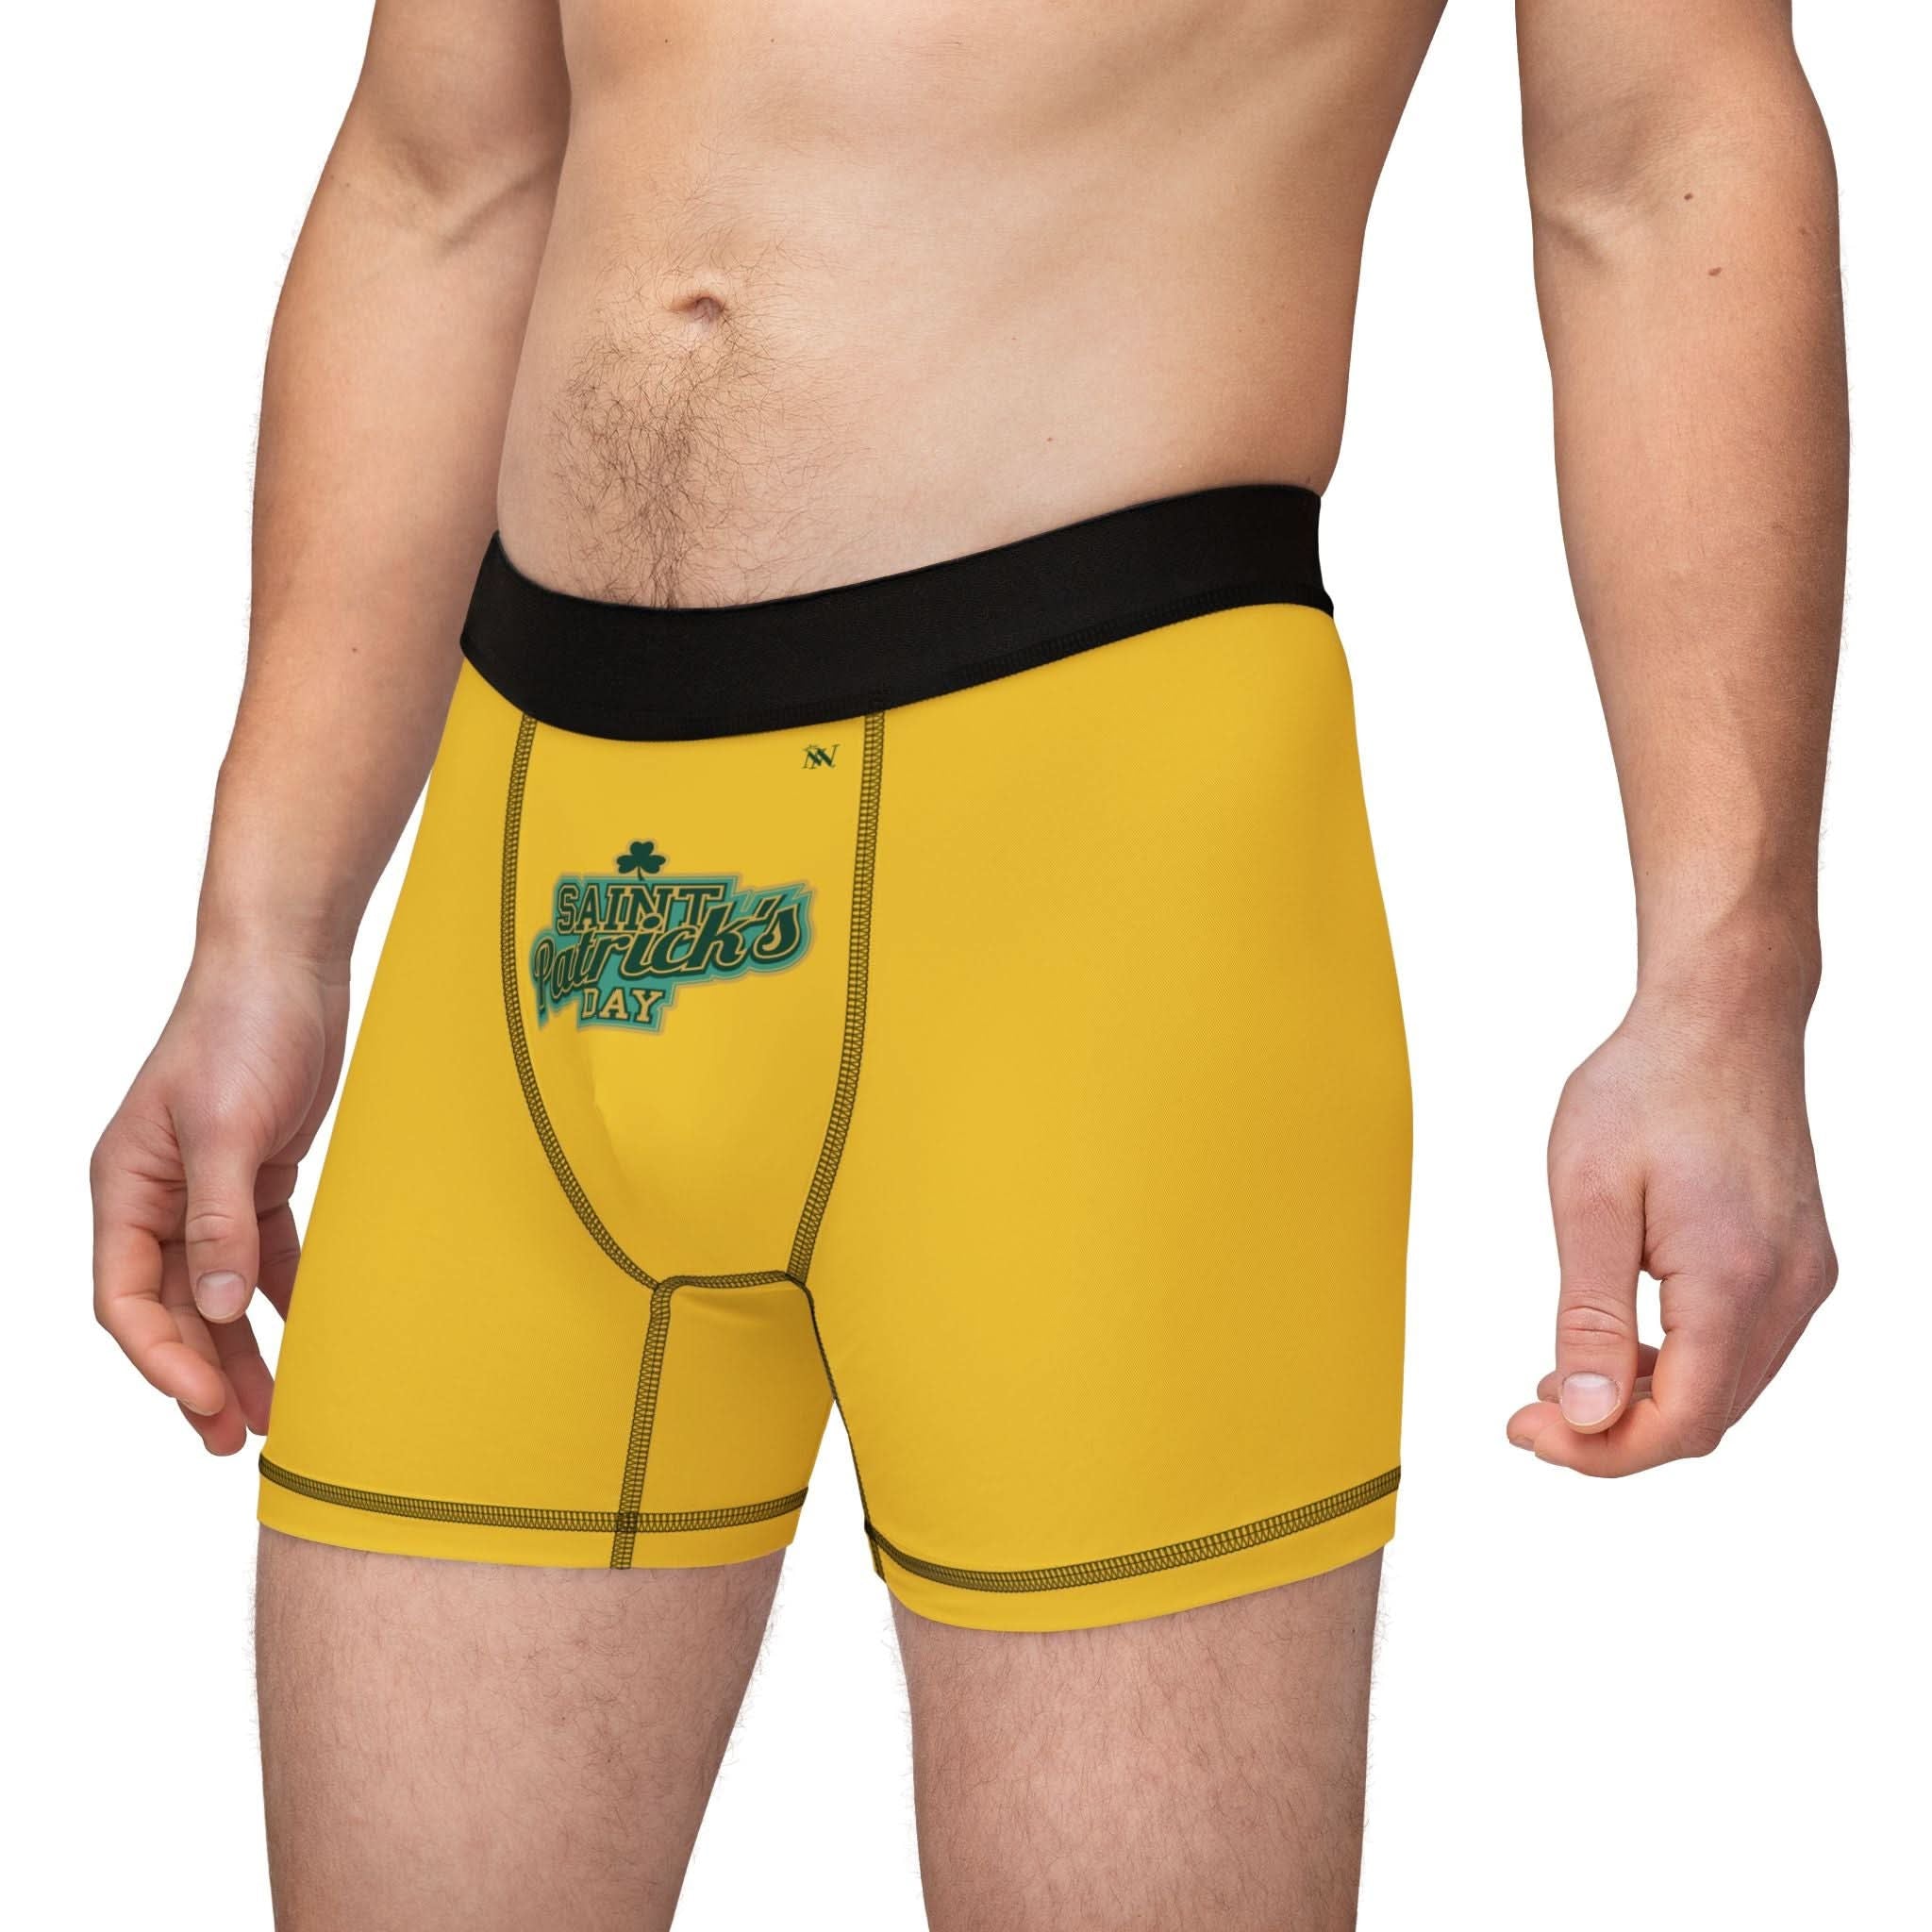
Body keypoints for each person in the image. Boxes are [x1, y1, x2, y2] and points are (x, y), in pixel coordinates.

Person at [89, 1, 1844, 1924]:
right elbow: (447, 173)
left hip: (1088, 895)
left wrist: (1726, 987)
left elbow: (1658, 158)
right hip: (531, 893)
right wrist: (262, 932)